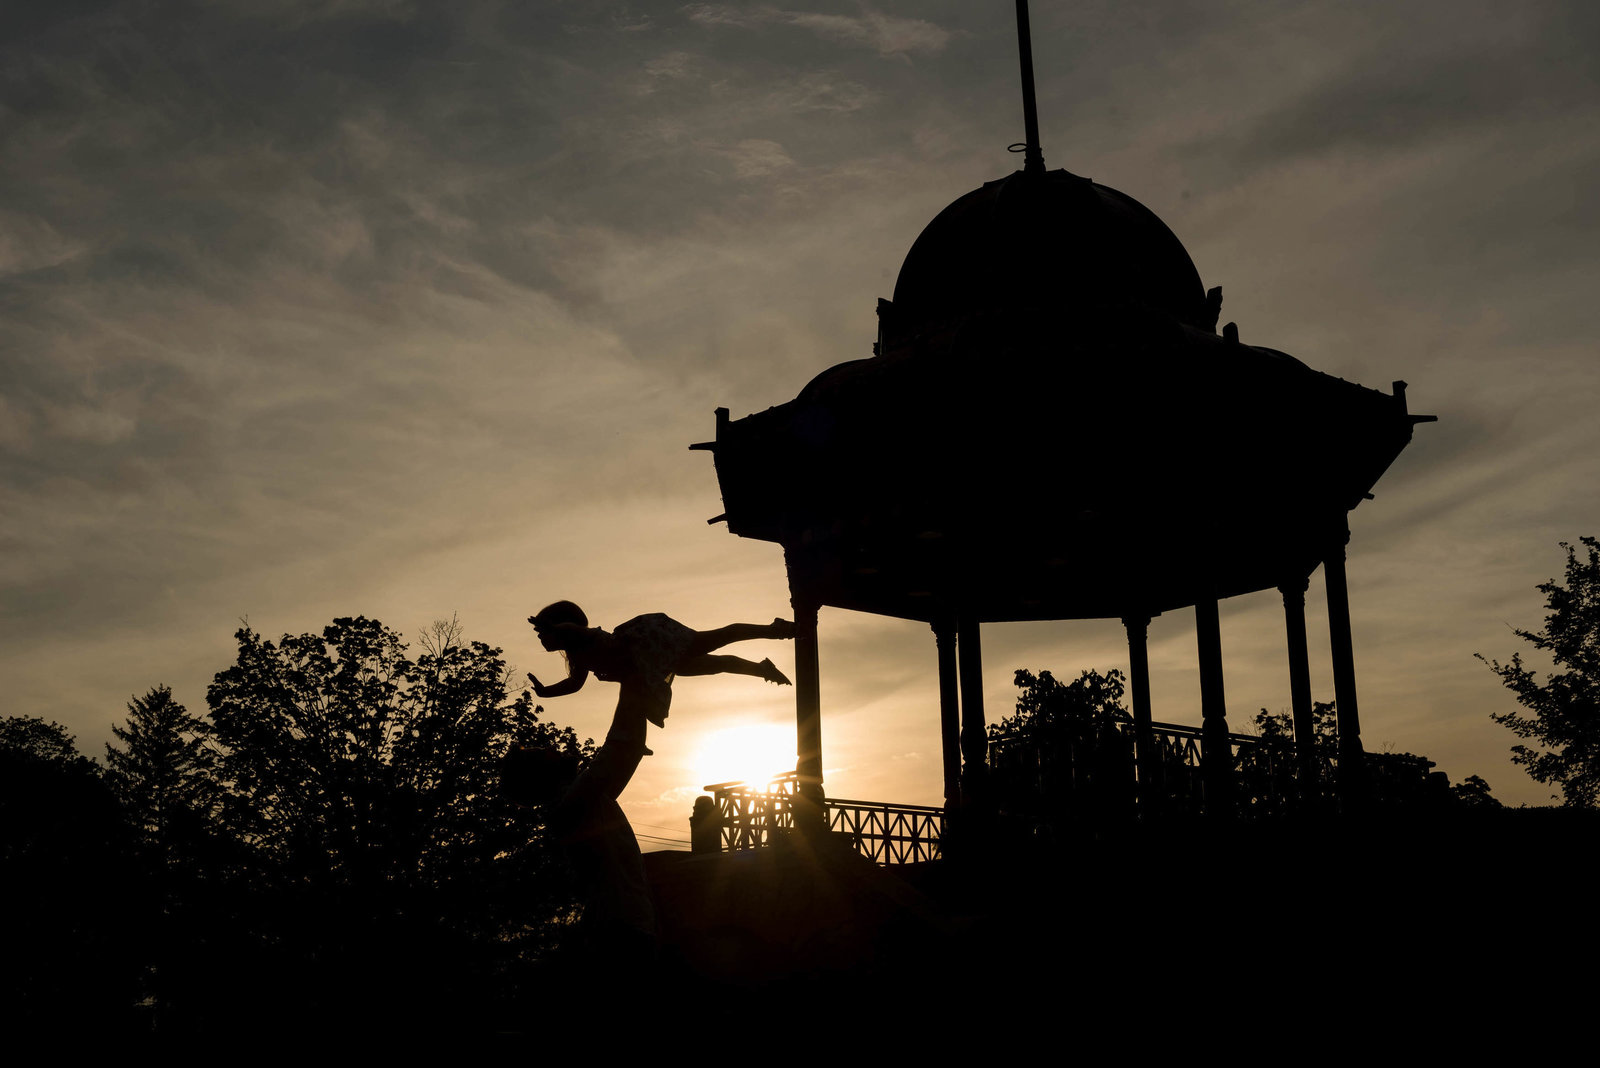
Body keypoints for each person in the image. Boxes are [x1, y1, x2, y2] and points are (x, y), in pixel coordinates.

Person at [526, 601, 793, 730]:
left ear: (559, 627)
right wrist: (545, 692)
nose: (540, 637)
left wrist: (552, 627)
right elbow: (574, 685)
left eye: (542, 632)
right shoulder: (579, 658)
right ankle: (761, 669)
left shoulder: (582, 638)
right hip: (652, 664)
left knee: (717, 637)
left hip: (652, 646)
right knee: (716, 665)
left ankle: (774, 630)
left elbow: (572, 629)